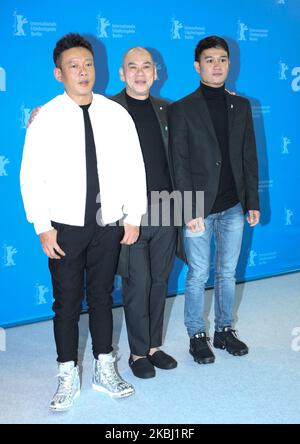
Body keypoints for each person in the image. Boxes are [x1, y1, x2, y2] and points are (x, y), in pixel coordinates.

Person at [20, 33, 147, 411]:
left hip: (107, 222)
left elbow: (133, 166)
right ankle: (66, 372)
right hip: (65, 228)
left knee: (104, 297)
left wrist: (133, 216)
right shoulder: (46, 117)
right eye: (74, 66)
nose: (83, 72)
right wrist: (42, 225)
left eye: (88, 64)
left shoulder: (115, 113)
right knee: (67, 303)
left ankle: (104, 368)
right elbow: (30, 175)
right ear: (59, 73)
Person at [168, 35, 260, 365]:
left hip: (234, 206)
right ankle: (196, 334)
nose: (217, 65)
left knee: (226, 271)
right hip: (198, 210)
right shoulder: (181, 108)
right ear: (197, 66)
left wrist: (252, 201)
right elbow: (178, 162)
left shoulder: (242, 105)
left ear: (229, 64)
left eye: (222, 59)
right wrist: (188, 209)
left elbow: (249, 156)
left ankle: (224, 330)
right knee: (197, 274)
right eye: (209, 59)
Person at [112, 47, 181, 378]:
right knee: (137, 283)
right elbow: (72, 120)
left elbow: (189, 151)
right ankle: (137, 353)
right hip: (129, 215)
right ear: (122, 73)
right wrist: (41, 114)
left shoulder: (168, 109)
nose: (140, 73)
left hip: (168, 209)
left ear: (157, 72)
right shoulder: (106, 109)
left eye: (146, 67)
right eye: (132, 67)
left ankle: (154, 347)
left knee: (159, 281)